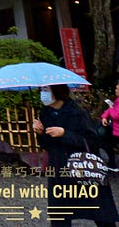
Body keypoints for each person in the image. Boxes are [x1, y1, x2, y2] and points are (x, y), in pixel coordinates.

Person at [35, 83, 118, 227]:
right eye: (41, 90)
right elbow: (47, 146)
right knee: (60, 214)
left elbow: (92, 141)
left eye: (46, 90)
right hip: (59, 169)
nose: (43, 93)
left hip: (82, 168)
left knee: (99, 211)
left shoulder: (77, 112)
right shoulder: (45, 113)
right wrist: (41, 133)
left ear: (57, 91)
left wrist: (65, 134)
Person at [99, 84, 119, 159]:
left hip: (117, 131)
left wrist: (110, 108)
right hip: (115, 128)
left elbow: (115, 115)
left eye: (117, 89)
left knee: (107, 145)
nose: (115, 90)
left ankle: (112, 164)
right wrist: (104, 117)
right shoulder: (117, 100)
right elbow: (112, 109)